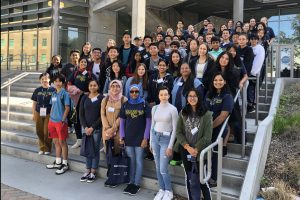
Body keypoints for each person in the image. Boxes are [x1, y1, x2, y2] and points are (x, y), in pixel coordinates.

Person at [174, 88, 212, 200]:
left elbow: (207, 136)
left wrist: (196, 149)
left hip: (200, 151)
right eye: (190, 96)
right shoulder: (183, 113)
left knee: (201, 179)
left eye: (195, 96)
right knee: (189, 177)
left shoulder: (207, 114)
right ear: (187, 99)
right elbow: (178, 132)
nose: (192, 98)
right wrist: (187, 147)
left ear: (199, 97)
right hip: (185, 150)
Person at [119, 85, 151, 195]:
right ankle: (131, 182)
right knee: (131, 161)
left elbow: (148, 123)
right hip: (128, 138)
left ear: (139, 92)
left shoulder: (144, 104)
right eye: (132, 91)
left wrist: (145, 138)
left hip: (140, 138)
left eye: (136, 91)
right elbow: (122, 122)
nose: (134, 93)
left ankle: (137, 184)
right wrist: (121, 136)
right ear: (129, 92)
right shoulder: (125, 105)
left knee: (139, 161)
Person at [205, 72, 234, 187]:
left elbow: (223, 116)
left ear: (225, 81)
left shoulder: (227, 96)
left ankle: (213, 179)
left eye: (220, 80)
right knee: (206, 153)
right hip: (206, 128)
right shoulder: (209, 94)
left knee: (215, 154)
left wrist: (210, 127)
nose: (218, 82)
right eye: (215, 80)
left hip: (218, 130)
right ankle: (206, 175)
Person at [151, 86, 178, 200]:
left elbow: (175, 130)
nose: (163, 97)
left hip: (166, 140)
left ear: (169, 95)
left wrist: (170, 146)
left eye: (165, 94)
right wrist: (151, 142)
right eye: (161, 94)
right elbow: (152, 126)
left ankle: (169, 190)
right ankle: (161, 189)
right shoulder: (155, 108)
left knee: (163, 168)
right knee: (157, 167)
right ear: (158, 96)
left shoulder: (173, 109)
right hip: (156, 138)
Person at [101, 80, 128, 187]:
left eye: (117, 86)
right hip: (106, 131)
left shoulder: (123, 99)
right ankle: (110, 176)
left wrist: (113, 129)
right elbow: (102, 114)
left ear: (120, 88)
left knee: (116, 153)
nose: (115, 88)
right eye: (113, 86)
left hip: (118, 132)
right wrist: (107, 128)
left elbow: (122, 116)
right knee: (108, 154)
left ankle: (115, 177)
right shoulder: (105, 99)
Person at [67, 57, 96, 149]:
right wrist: (75, 90)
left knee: (86, 118)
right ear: (79, 63)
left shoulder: (90, 74)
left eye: (85, 62)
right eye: (82, 62)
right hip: (76, 99)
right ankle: (79, 139)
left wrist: (89, 92)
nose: (83, 63)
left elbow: (95, 84)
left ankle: (86, 140)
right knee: (76, 118)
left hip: (87, 98)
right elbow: (69, 84)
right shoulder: (75, 73)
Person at [79, 80, 104, 183]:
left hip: (96, 129)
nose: (92, 87)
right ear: (88, 87)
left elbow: (101, 115)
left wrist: (92, 127)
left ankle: (93, 171)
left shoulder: (101, 98)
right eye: (91, 85)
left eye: (94, 85)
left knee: (94, 149)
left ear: (98, 86)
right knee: (87, 149)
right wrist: (85, 127)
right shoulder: (84, 97)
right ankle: (87, 170)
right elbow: (81, 113)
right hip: (85, 128)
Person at [46, 74, 70, 175]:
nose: (57, 83)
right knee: (55, 142)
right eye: (55, 81)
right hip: (52, 121)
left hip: (61, 122)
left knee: (62, 142)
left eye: (59, 81)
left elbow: (67, 108)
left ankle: (65, 164)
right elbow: (52, 106)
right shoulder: (54, 93)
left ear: (63, 82)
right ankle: (58, 162)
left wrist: (63, 120)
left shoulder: (65, 93)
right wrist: (50, 118)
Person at [31, 73, 55, 155]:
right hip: (38, 112)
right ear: (40, 80)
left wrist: (52, 114)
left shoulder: (53, 90)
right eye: (42, 79)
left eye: (46, 78)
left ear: (49, 80)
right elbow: (34, 103)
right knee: (39, 131)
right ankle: (42, 148)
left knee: (47, 131)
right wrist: (33, 114)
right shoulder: (37, 90)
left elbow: (54, 103)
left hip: (49, 113)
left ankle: (48, 148)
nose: (44, 80)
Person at [248, 34, 265, 113]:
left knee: (253, 89)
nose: (253, 40)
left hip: (255, 73)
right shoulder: (249, 48)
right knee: (249, 89)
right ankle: (249, 104)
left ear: (257, 40)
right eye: (252, 39)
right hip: (248, 72)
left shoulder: (260, 48)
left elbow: (259, 61)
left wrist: (254, 72)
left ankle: (253, 105)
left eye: (255, 39)